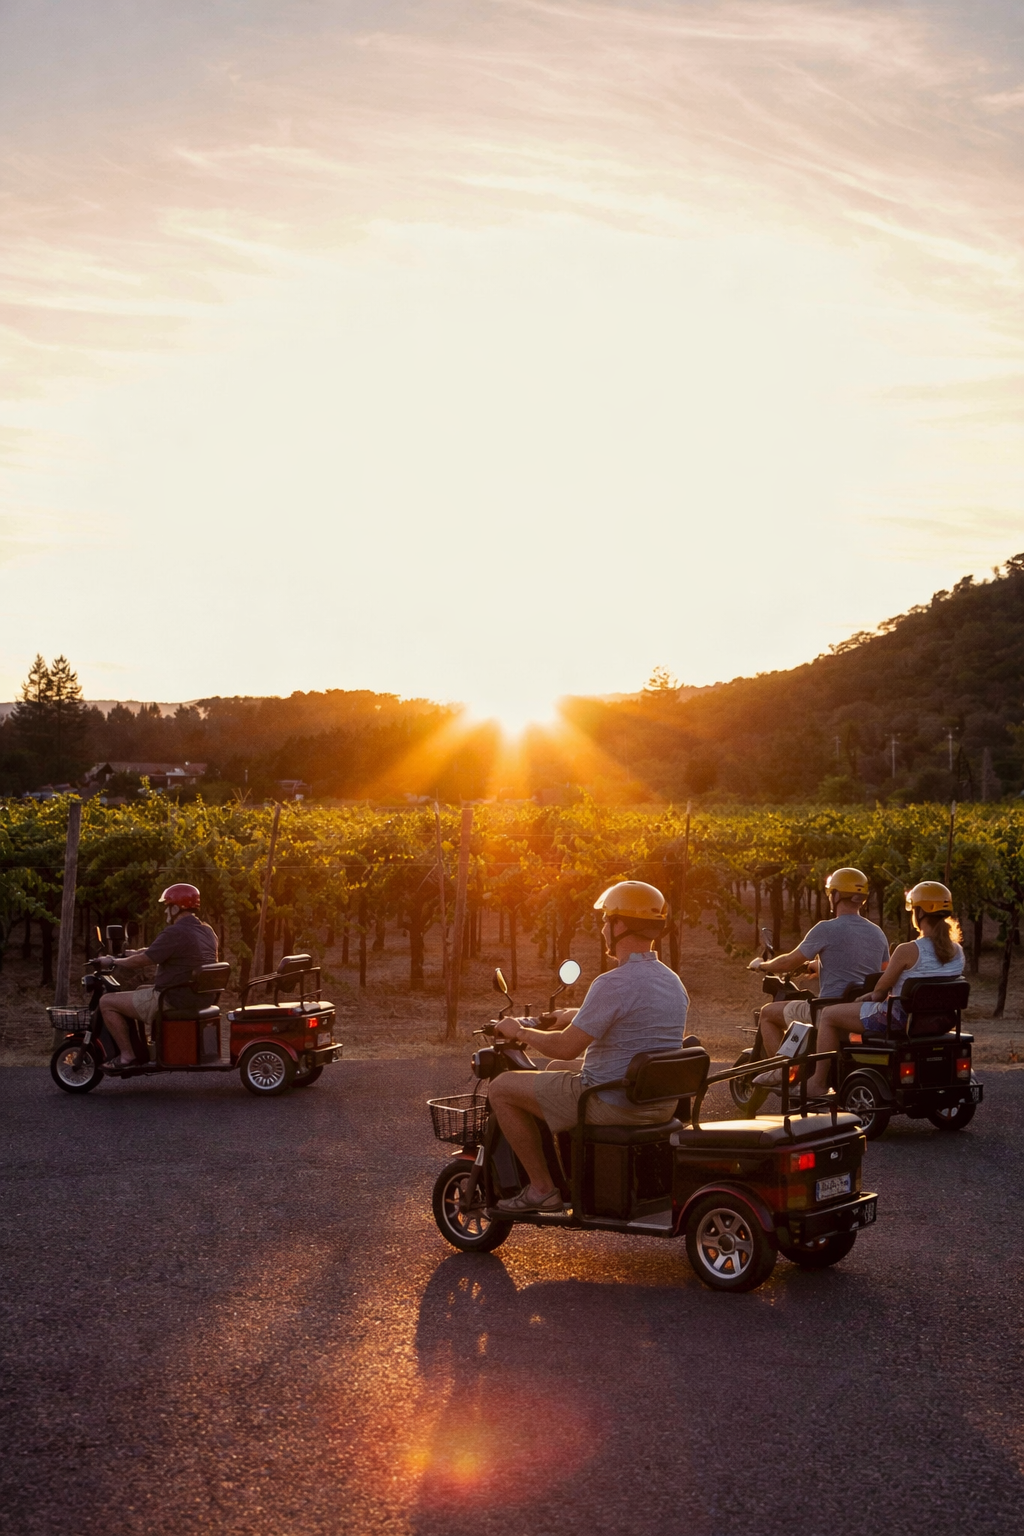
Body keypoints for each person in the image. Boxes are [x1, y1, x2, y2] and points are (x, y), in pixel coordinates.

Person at [487, 880, 689, 1215]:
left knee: (501, 1088)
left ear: (620, 926)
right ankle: (573, 1173)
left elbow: (565, 1047)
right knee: (555, 1073)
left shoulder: (611, 983)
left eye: (606, 921)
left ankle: (542, 1190)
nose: (603, 929)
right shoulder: (672, 981)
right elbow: (634, 1021)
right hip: (657, 1103)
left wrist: (519, 1030)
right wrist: (574, 1015)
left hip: (612, 1102)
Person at [805, 881, 964, 1095]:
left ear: (919, 912)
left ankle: (818, 1082)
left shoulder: (907, 950)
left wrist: (864, 998)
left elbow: (880, 991)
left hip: (900, 1021)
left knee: (828, 1015)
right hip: (940, 1022)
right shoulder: (958, 952)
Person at [748, 867, 889, 1088]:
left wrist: (762, 965)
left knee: (767, 1013)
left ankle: (781, 1070)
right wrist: (818, 966)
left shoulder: (826, 929)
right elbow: (880, 972)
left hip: (828, 1009)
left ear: (835, 895)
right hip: (860, 1011)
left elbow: (788, 962)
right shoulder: (877, 933)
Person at [98, 884, 218, 1068]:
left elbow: (144, 960)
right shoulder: (207, 931)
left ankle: (127, 1056)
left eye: (167, 907)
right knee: (140, 989)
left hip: (172, 998)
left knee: (107, 1001)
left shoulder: (174, 932)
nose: (165, 912)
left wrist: (113, 961)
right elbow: (158, 951)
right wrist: (132, 953)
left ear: (176, 908)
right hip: (199, 996)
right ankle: (146, 1046)